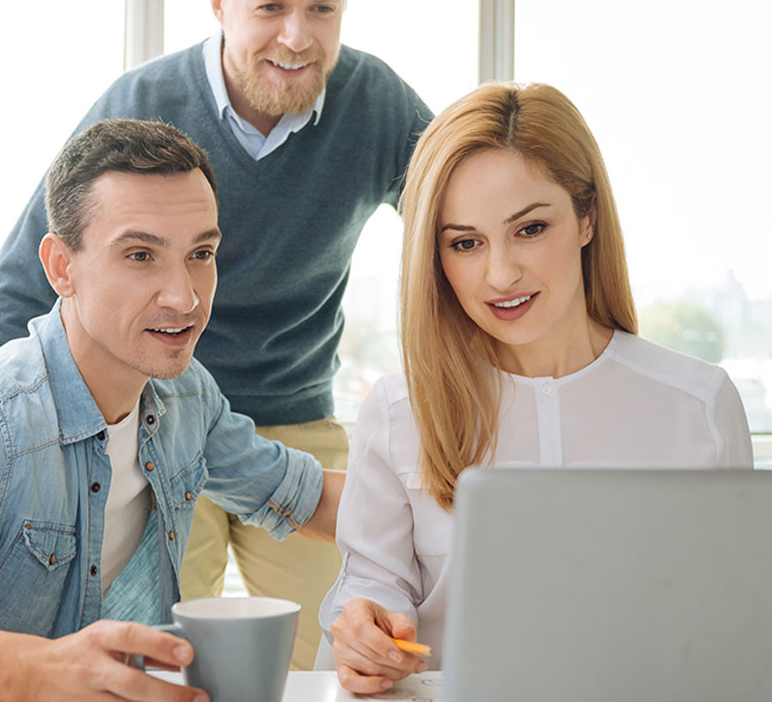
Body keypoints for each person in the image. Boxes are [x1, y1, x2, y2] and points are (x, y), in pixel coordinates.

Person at [0, 0, 432, 670]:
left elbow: (464, 220)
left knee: (338, 649)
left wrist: (488, 498)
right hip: (118, 396)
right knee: (159, 649)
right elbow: (24, 283)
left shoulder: (377, 103)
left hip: (242, 411)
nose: (296, 35)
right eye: (271, 7)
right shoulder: (141, 107)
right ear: (219, 0)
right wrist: (19, 424)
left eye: (322, 8)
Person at [318, 81, 754, 694]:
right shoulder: (397, 412)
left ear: (586, 218)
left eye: (529, 229)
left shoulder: (699, 404)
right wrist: (363, 627)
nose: (500, 274)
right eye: (465, 243)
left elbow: (734, 621)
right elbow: (372, 585)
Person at [0, 119, 343, 701]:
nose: (185, 297)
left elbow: (307, 498)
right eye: (141, 255)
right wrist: (36, 672)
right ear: (61, 267)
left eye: (201, 253)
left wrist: (480, 518)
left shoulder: (186, 397)